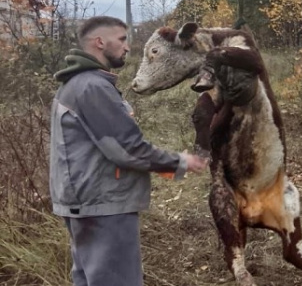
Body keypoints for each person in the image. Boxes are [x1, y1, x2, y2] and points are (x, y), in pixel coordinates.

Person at [49, 16, 208, 286]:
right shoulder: (93, 87)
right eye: (122, 39)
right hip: (102, 205)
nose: (127, 47)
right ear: (100, 42)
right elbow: (126, 148)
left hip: (87, 203)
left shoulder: (79, 84)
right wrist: (179, 161)